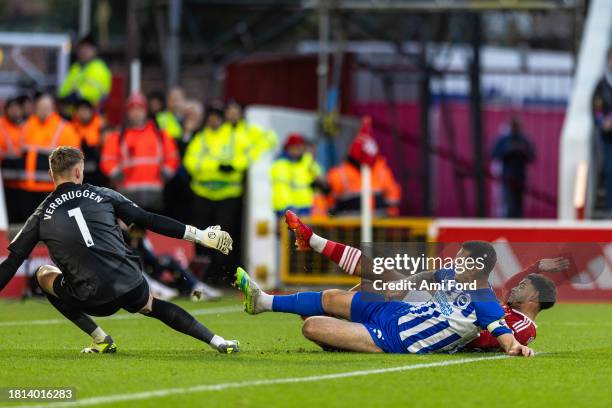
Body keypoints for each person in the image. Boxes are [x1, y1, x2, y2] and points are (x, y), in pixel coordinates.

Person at [0, 146, 238, 354]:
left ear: (51, 174)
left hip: (89, 297)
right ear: (78, 171)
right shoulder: (102, 194)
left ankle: (100, 339)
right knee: (151, 305)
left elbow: (12, 263)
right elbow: (148, 220)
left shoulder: (40, 215)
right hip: (130, 284)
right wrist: (200, 235)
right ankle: (218, 341)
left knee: (43, 273)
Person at [234, 210, 533, 356]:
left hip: (394, 337)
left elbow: (506, 338)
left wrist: (517, 349)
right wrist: (408, 284)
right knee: (332, 297)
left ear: (479, 267)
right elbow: (429, 276)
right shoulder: (455, 275)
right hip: (399, 311)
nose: (455, 262)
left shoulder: (485, 302)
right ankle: (262, 302)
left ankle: (314, 244)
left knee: (311, 326)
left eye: (462, 259)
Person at [183, 102, 251, 285]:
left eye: (217, 116)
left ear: (221, 118)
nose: (213, 119)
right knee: (204, 236)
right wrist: (219, 167)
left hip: (228, 195)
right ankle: (208, 274)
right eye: (211, 116)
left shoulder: (234, 136)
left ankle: (226, 274)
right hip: (203, 194)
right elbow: (190, 162)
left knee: (227, 237)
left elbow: (246, 157)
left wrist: (232, 166)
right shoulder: (201, 138)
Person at [100, 93, 179, 212]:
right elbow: (107, 159)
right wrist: (117, 174)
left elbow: (172, 157)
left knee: (154, 229)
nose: (136, 113)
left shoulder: (160, 134)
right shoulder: (118, 136)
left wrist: (166, 173)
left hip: (155, 195)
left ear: (145, 111)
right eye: (133, 109)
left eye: (139, 109)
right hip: (127, 195)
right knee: (131, 230)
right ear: (128, 113)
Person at [19, 92, 81, 220]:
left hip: (51, 189)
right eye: (40, 107)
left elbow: (74, 160)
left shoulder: (65, 129)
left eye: (46, 108)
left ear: (53, 108)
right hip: (26, 189)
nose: (43, 111)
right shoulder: (26, 126)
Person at [327, 136, 401, 217]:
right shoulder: (339, 174)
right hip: (347, 227)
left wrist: (391, 216)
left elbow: (393, 195)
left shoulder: (382, 171)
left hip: (379, 224)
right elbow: (328, 203)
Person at [270, 133, 326, 218]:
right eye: (296, 147)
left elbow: (320, 176)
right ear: (289, 148)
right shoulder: (281, 164)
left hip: (306, 209)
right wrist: (287, 209)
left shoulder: (306, 161)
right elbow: (280, 189)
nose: (299, 149)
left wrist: (319, 180)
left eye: (300, 147)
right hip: (289, 210)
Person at [491, 117, 535, 218]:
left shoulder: (524, 140)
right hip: (507, 177)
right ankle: (508, 223)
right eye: (514, 126)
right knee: (508, 203)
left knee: (519, 204)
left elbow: (532, 156)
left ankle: (518, 224)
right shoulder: (503, 140)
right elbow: (494, 153)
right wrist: (508, 150)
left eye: (518, 126)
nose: (516, 128)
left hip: (520, 176)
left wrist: (522, 151)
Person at [57, 34, 112, 111]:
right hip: (72, 115)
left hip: (91, 114)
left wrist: (75, 96)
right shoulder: (76, 68)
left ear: (94, 51)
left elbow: (93, 91)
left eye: (87, 49)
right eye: (81, 48)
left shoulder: (98, 67)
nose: (83, 52)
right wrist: (61, 98)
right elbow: (64, 90)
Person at [0, 97, 26, 223]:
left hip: (23, 182)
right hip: (4, 182)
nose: (15, 111)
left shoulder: (27, 127)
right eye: (12, 108)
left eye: (17, 108)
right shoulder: (1, 126)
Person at [593, 48, 612, 211]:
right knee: (609, 168)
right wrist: (602, 122)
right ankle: (609, 207)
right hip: (607, 135)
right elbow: (597, 108)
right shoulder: (602, 84)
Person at [72, 98, 107, 186]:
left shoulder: (101, 125)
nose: (84, 112)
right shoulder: (71, 127)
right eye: (81, 110)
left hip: (98, 171)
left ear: (91, 111)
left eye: (86, 109)